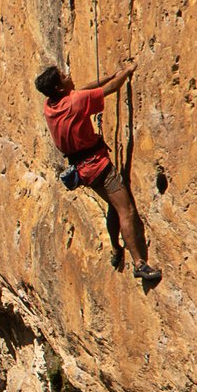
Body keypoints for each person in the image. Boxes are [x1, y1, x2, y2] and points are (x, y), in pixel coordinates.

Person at [35, 62, 163, 283]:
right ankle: (140, 264)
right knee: (126, 210)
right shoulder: (75, 102)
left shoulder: (51, 106)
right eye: (63, 76)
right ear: (59, 88)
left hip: (84, 170)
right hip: (98, 165)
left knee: (112, 205)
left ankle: (115, 249)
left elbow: (82, 91)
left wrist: (110, 74)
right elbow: (111, 89)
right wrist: (126, 73)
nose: (68, 75)